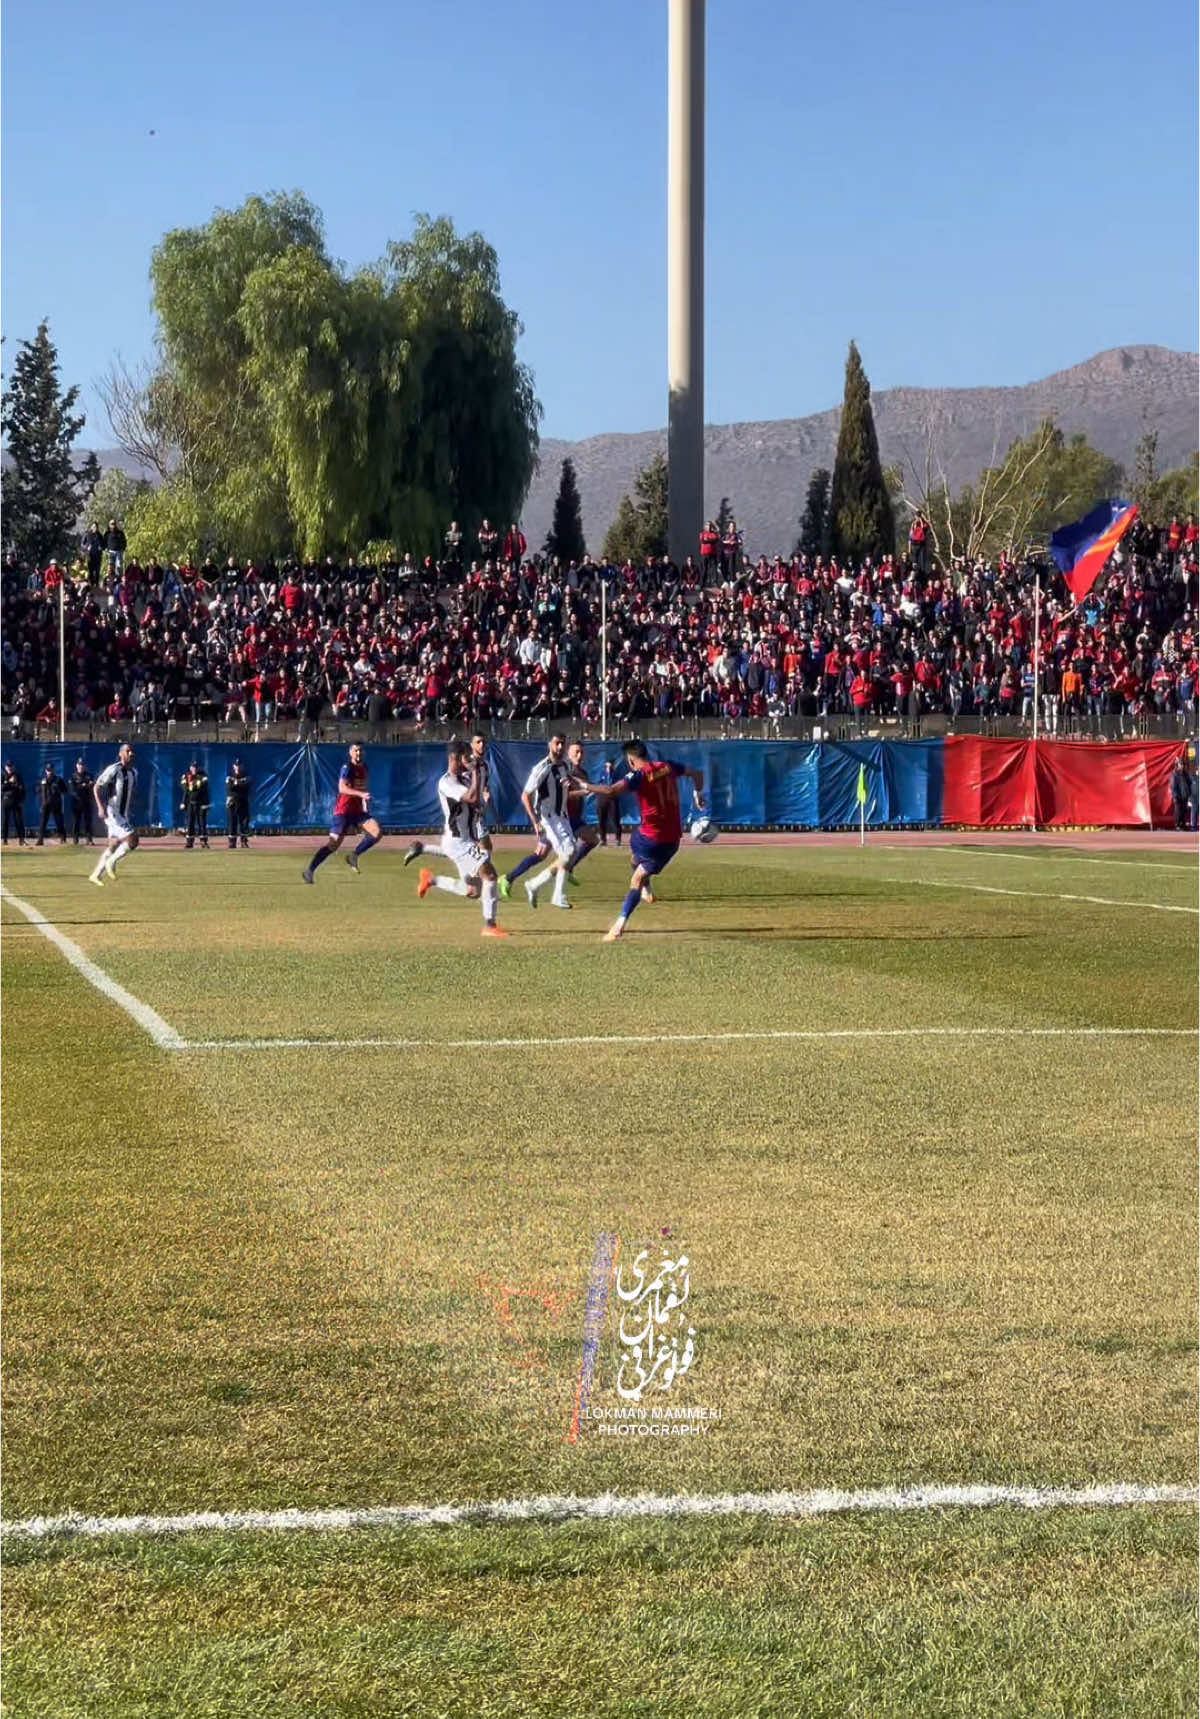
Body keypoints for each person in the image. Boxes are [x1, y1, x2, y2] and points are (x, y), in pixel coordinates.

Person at [584, 739, 706, 942]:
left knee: (635, 873)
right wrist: (698, 794)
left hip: (649, 838)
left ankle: (619, 925)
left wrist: (584, 785)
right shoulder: (667, 766)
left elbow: (611, 791)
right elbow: (697, 773)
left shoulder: (639, 775)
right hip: (673, 840)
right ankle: (645, 891)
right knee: (636, 863)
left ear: (631, 761)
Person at [415, 739, 508, 937]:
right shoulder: (446, 782)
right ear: (454, 758)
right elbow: (472, 798)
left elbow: (477, 802)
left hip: (463, 841)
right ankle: (489, 926)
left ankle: (432, 879)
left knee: (473, 891)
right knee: (490, 875)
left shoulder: (464, 779)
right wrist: (475, 772)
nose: (470, 760)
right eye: (466, 757)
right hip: (458, 842)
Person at [503, 731, 578, 910]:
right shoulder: (541, 768)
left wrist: (572, 786)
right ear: (550, 745)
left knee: (570, 854)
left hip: (562, 816)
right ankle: (557, 895)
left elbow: (566, 786)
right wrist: (535, 821)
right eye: (557, 743)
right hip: (549, 818)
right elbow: (525, 796)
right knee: (568, 852)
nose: (560, 747)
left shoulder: (567, 764)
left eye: (563, 744)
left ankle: (534, 885)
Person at [302, 743, 381, 882]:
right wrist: (360, 795)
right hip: (343, 811)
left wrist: (364, 803)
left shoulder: (365, 768)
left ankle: (354, 855)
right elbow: (342, 788)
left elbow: (364, 789)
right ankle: (310, 871)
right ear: (350, 752)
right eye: (356, 750)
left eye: (361, 750)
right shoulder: (347, 768)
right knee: (334, 844)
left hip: (358, 812)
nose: (359, 753)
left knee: (377, 832)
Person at [89, 742, 139, 886]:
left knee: (114, 844)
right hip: (113, 812)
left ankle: (95, 875)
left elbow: (130, 792)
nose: (131, 753)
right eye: (127, 751)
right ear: (121, 754)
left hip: (123, 813)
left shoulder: (134, 772)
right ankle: (110, 862)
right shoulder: (114, 769)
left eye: (132, 751)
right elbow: (97, 786)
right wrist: (100, 807)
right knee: (133, 840)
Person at [561, 739, 599, 888]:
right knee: (542, 854)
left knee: (593, 840)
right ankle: (517, 879)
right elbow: (562, 796)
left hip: (575, 818)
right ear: (568, 754)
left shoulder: (583, 773)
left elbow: (584, 793)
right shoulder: (565, 771)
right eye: (576, 752)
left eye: (581, 752)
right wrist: (581, 793)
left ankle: (569, 868)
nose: (579, 755)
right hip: (562, 818)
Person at [180, 761, 211, 849]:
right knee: (190, 823)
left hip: (201, 803)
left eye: (196, 767)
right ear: (190, 768)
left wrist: (192, 785)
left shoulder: (203, 776)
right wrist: (183, 802)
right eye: (193, 767)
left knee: (202, 823)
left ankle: (203, 841)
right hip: (190, 803)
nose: (194, 769)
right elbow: (185, 788)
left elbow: (202, 787)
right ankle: (189, 842)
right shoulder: (186, 776)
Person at [36, 762, 67, 845]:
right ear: (46, 771)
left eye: (51, 770)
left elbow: (65, 790)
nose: (49, 772)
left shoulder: (58, 780)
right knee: (43, 823)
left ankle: (62, 838)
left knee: (59, 822)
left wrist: (58, 789)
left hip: (56, 804)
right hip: (46, 804)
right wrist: (40, 788)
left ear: (54, 770)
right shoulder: (43, 780)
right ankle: (40, 840)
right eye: (48, 770)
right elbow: (37, 790)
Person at [226, 759, 252, 850]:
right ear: (233, 766)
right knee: (232, 822)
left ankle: (244, 841)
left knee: (244, 822)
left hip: (243, 801)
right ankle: (232, 842)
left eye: (239, 765)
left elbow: (246, 786)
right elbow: (230, 787)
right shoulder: (229, 775)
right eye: (236, 765)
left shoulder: (247, 775)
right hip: (232, 802)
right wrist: (239, 783)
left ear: (242, 766)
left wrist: (237, 783)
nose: (237, 767)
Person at [596, 758, 623, 846]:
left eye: (611, 764)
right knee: (601, 819)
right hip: (603, 798)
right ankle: (603, 839)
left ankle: (618, 839)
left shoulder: (616, 774)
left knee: (615, 818)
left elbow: (616, 784)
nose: (609, 766)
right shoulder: (602, 773)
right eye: (608, 764)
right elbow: (599, 784)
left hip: (612, 798)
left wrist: (610, 774)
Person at [68, 759, 95, 843]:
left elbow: (92, 786)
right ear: (77, 766)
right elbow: (72, 790)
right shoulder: (73, 776)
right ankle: (75, 839)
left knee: (88, 821)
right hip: (77, 802)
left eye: (82, 765)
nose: (81, 766)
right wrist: (83, 786)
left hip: (87, 801)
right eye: (79, 765)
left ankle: (89, 839)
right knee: (76, 821)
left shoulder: (89, 775)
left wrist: (85, 786)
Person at [2, 761, 26, 845]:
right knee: (5, 821)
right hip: (6, 800)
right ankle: (4, 839)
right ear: (5, 767)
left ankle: (21, 839)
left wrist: (22, 800)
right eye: (8, 766)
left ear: (13, 767)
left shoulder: (17, 776)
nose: (9, 768)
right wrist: (9, 782)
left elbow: (22, 789)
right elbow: (2, 788)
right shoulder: (3, 776)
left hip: (16, 801)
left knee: (18, 821)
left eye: (11, 766)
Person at [1170, 754, 1194, 831]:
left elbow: (1190, 784)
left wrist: (1190, 794)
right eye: (1180, 764)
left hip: (1185, 796)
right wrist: (1175, 796)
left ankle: (1183, 824)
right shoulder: (1175, 775)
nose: (1182, 766)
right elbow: (1173, 786)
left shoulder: (1186, 774)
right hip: (1178, 796)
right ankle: (1177, 825)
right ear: (1177, 765)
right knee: (1178, 811)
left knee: (1184, 811)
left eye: (1183, 764)